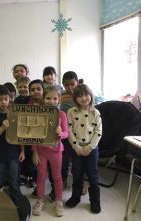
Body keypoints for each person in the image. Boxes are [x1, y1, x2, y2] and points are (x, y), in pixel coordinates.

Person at [65, 84, 102, 214]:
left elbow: (98, 131)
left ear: (91, 96)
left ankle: (95, 201)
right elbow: (69, 130)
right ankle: (75, 197)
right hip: (77, 148)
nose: (84, 98)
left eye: (86, 95)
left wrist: (90, 147)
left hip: (92, 148)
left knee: (92, 174)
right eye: (80, 96)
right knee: (77, 173)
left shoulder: (95, 112)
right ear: (75, 98)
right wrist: (76, 147)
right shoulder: (71, 112)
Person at [32, 86, 68, 217]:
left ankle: (59, 202)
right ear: (43, 98)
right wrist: (34, 152)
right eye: (48, 98)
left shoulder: (62, 114)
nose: (51, 101)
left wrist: (60, 133)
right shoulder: (39, 113)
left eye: (54, 98)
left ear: (59, 99)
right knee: (41, 176)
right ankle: (39, 201)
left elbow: (66, 134)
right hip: (41, 151)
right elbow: (33, 135)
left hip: (56, 151)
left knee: (57, 176)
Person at [0, 85, 25, 206]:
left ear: (9, 99)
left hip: (13, 153)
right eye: (0, 99)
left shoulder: (13, 114)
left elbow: (20, 135)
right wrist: (2, 127)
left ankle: (16, 202)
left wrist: (22, 151)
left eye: (6, 99)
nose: (3, 102)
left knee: (14, 180)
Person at [46, 71, 79, 202]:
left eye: (72, 84)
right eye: (66, 85)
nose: (70, 87)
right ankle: (59, 185)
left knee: (78, 163)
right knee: (62, 163)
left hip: (77, 134)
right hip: (62, 133)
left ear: (77, 82)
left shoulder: (82, 95)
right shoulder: (61, 95)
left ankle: (81, 184)